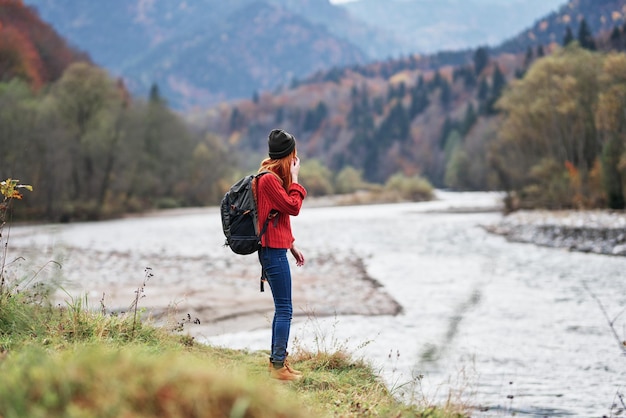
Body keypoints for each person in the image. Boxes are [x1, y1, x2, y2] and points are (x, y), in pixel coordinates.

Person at [256, 129, 307, 381]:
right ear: (288, 155)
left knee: (282, 308)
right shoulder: (268, 180)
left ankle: (278, 363)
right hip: (272, 252)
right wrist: (296, 179)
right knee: (285, 309)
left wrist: (292, 245)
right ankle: (278, 368)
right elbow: (292, 207)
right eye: (293, 156)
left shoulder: (273, 178)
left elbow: (278, 218)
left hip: (277, 248)